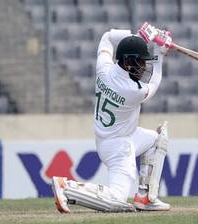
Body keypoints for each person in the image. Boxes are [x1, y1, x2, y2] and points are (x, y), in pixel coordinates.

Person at [51, 23, 172, 213]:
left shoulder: (104, 68)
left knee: (157, 140)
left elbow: (107, 37)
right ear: (129, 62)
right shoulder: (132, 90)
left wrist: (138, 37)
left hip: (122, 136)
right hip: (118, 146)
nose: (143, 66)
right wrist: (159, 54)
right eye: (141, 62)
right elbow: (154, 84)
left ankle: (146, 197)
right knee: (117, 199)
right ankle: (67, 187)